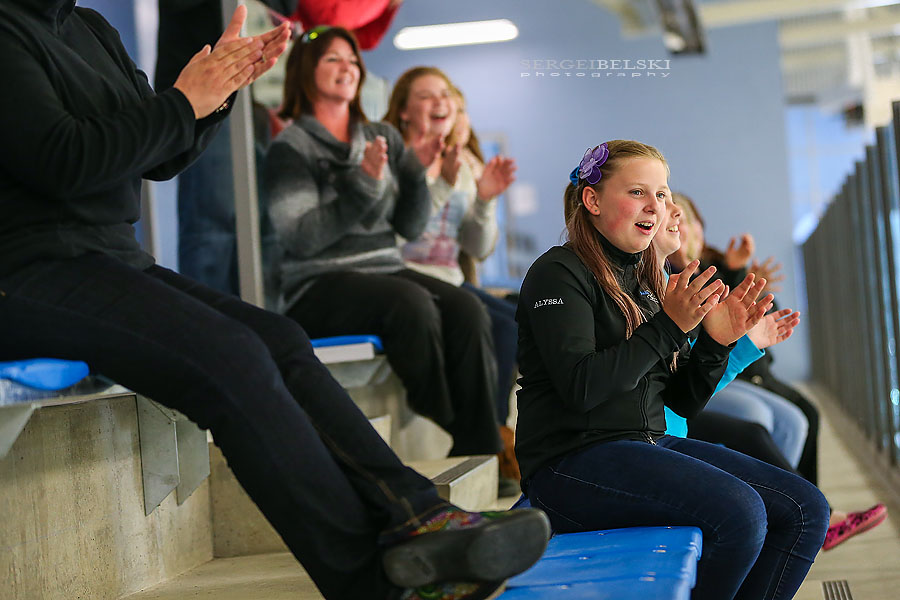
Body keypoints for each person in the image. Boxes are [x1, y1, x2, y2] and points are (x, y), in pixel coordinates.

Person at [0, 4, 550, 599]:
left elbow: (160, 156)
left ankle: (416, 514)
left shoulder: (91, 28)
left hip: (112, 258)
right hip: (29, 269)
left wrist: (217, 94)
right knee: (232, 355)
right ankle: (371, 581)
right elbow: (64, 159)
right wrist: (184, 102)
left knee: (279, 340)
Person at [515, 140, 830, 599]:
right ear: (592, 200)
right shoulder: (557, 273)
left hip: (644, 443)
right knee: (741, 515)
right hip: (568, 464)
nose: (656, 205)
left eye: (662, 194)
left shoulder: (644, 282)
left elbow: (678, 401)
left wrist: (717, 343)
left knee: (805, 510)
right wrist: (669, 326)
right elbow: (582, 388)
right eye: (638, 192)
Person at [265, 29, 503, 458]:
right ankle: (452, 415)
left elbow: (410, 228)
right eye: (332, 60)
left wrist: (420, 176)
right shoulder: (291, 148)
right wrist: (363, 185)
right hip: (317, 284)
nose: (347, 68)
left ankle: (481, 447)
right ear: (305, 71)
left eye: (352, 61)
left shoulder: (381, 136)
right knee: (408, 301)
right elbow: (300, 237)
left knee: (468, 308)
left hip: (384, 269)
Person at [382, 69, 520, 485]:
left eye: (446, 94)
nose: (440, 102)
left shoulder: (464, 164)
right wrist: (436, 182)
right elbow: (394, 234)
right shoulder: (391, 158)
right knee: (494, 324)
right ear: (404, 112)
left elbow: (478, 247)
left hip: (450, 278)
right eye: (426, 96)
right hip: (402, 276)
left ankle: (493, 435)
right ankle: (488, 441)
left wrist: (484, 200)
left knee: (515, 320)